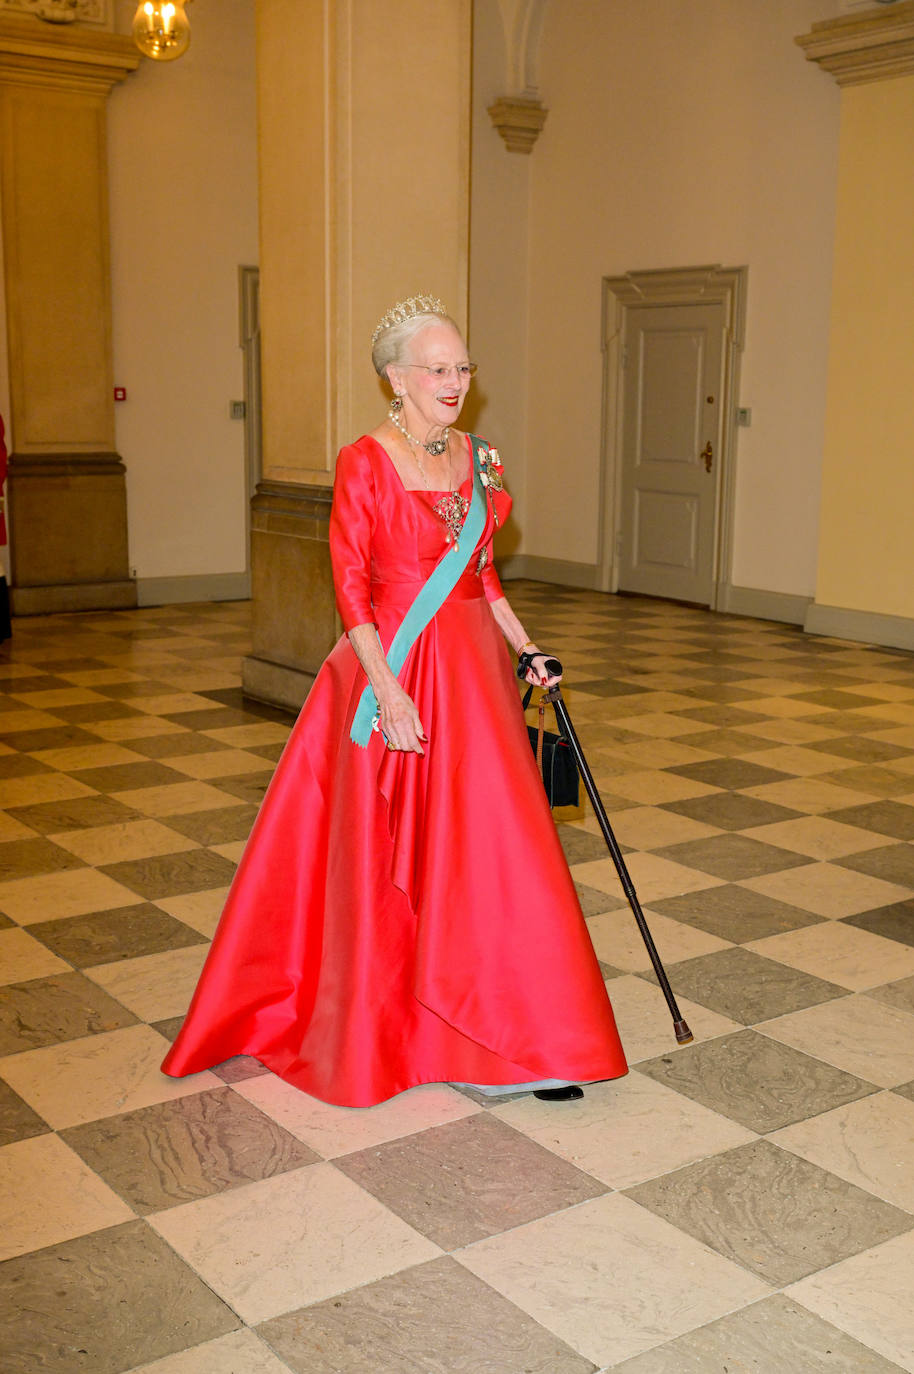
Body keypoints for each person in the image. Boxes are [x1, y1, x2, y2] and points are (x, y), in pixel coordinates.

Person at [162, 295, 627, 1106]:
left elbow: (483, 578)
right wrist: (391, 693)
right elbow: (352, 593)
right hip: (397, 677)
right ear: (397, 378)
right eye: (438, 368)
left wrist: (528, 650)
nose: (456, 381)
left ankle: (518, 1035)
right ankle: (429, 1034)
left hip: (475, 678)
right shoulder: (365, 462)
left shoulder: (478, 457)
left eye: (463, 367)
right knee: (400, 859)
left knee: (494, 848)